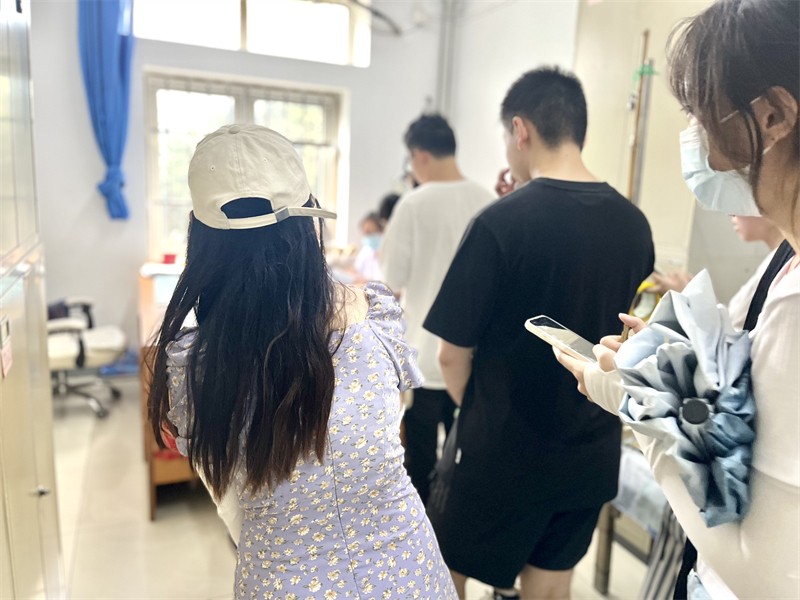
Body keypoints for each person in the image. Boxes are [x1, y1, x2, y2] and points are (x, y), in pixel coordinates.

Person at [147, 124, 457, 600]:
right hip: (411, 572)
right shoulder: (372, 318)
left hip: (284, 581)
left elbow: (228, 496)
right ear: (309, 220)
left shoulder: (199, 366)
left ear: (202, 238)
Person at [555, 1, 799, 597]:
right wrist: (662, 364)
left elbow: (769, 574)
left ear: (772, 115)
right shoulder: (785, 258)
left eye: (700, 112)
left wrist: (637, 408)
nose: (694, 135)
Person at [422, 68, 655, 600]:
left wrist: (480, 416)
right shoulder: (634, 224)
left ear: (520, 130)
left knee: (445, 577)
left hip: (499, 452)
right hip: (589, 453)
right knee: (550, 590)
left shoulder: (499, 223)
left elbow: (451, 355)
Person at [380, 114, 494, 506]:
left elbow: (391, 283)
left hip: (423, 360)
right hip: (474, 359)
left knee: (420, 465)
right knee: (467, 460)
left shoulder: (412, 204)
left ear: (420, 156)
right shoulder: (489, 201)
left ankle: (424, 534)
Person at [652, 215, 783, 329]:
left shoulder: (780, 264)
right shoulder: (773, 260)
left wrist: (688, 296)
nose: (731, 213)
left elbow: (731, 331)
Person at [352, 211, 383, 281]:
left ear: (380, 230)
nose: (367, 236)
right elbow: (357, 270)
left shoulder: (388, 251)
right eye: (365, 233)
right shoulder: (365, 250)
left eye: (370, 232)